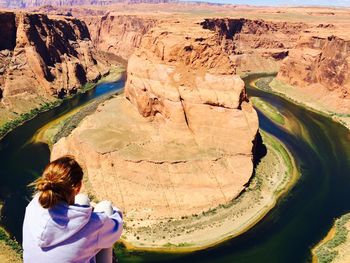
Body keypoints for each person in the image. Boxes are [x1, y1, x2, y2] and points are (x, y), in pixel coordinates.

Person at [22, 156, 123, 263]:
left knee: (82, 200)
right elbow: (117, 226)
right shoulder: (93, 224)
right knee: (105, 207)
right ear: (78, 187)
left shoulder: (33, 206)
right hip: (97, 226)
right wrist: (104, 212)